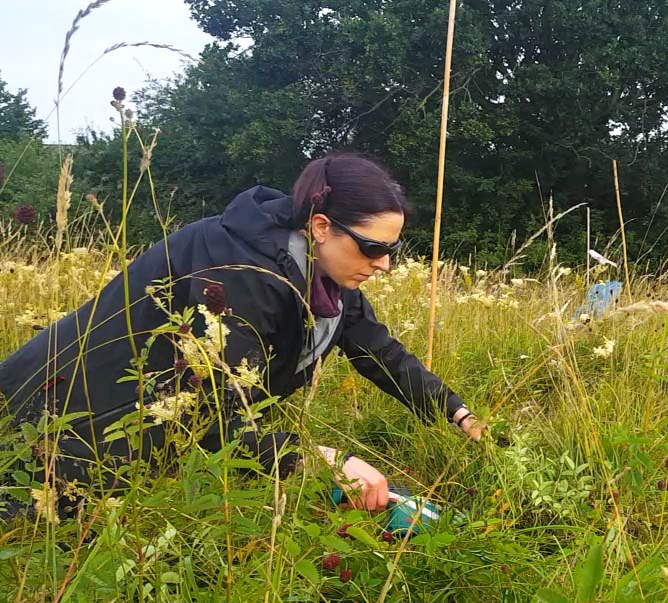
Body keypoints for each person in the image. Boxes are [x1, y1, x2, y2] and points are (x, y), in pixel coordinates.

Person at [0, 152, 483, 519]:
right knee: (46, 539)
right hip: (58, 417)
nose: (385, 263)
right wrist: (325, 460)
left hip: (142, 429)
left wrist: (458, 413)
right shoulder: (238, 271)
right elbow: (209, 418)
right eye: (374, 247)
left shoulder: (326, 279)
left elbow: (379, 352)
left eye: (393, 248)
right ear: (320, 227)